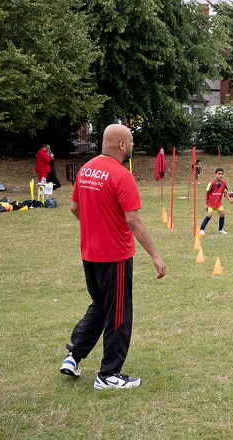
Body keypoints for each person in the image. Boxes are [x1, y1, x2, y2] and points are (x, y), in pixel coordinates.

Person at [59, 124, 166, 390]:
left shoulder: (86, 169)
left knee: (101, 305)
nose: (132, 145)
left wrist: (95, 228)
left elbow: (75, 207)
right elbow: (134, 221)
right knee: (118, 313)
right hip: (114, 256)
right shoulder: (121, 175)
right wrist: (155, 255)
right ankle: (108, 375)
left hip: (90, 254)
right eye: (130, 141)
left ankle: (74, 356)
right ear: (121, 145)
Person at [200, 167, 233, 235]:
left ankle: (220, 229)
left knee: (222, 214)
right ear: (215, 175)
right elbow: (206, 194)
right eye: (219, 174)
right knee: (209, 215)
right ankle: (201, 229)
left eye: (222, 174)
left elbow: (225, 193)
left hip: (218, 203)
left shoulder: (224, 183)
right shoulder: (211, 183)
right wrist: (205, 204)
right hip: (210, 203)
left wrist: (230, 200)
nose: (220, 175)